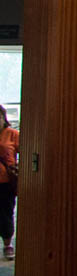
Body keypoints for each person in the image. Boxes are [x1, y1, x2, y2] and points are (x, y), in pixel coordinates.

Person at [0, 105, 18, 260]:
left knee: (5, 213)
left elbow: (27, 150)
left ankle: (7, 244)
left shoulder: (12, 134)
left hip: (5, 182)